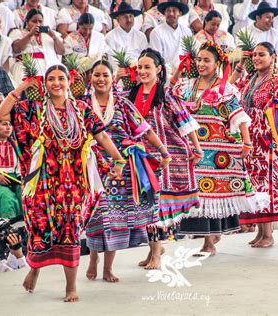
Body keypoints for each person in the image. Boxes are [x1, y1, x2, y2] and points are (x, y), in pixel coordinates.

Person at [0, 64, 125, 302]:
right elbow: (0, 116)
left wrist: (118, 159)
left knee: (71, 230)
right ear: (44, 84)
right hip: (43, 183)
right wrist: (23, 87)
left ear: (69, 81)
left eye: (61, 78)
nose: (56, 83)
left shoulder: (82, 109)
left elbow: (102, 136)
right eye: (51, 79)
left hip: (74, 183)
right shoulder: (32, 109)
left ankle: (71, 287)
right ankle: (34, 269)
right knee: (40, 229)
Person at [172, 42, 260, 255]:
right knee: (199, 193)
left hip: (219, 150)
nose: (201, 64)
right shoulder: (188, 85)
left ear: (217, 63)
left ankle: (208, 243)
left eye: (206, 60)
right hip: (194, 149)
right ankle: (209, 239)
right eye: (199, 60)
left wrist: (247, 142)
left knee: (210, 193)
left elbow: (238, 116)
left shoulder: (225, 88)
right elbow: (172, 98)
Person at [84, 59, 168, 281]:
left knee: (114, 219)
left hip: (121, 170)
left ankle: (107, 268)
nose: (101, 79)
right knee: (96, 216)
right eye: (96, 75)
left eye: (105, 75)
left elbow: (145, 130)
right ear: (90, 78)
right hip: (93, 167)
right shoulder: (82, 104)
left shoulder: (122, 104)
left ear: (113, 79)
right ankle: (93, 258)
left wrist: (163, 151)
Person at [126, 48, 202, 268]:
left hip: (168, 156)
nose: (142, 71)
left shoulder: (166, 94)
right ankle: (154, 250)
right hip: (142, 157)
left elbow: (184, 121)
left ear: (158, 69)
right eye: (139, 67)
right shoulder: (132, 94)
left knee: (157, 206)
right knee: (148, 206)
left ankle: (157, 254)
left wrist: (197, 148)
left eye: (147, 67)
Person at [231, 42, 278, 248]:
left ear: (273, 57)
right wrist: (240, 65)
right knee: (256, 186)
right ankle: (260, 231)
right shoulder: (251, 80)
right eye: (254, 55)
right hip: (253, 140)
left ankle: (268, 235)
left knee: (267, 187)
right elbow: (229, 89)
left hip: (270, 141)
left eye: (261, 55)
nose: (256, 58)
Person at [9, 9, 64, 85]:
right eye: (34, 21)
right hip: (25, 67)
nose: (38, 24)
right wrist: (30, 35)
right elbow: (16, 48)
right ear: (27, 22)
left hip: (47, 66)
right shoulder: (17, 32)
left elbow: (61, 51)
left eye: (40, 21)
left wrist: (53, 36)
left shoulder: (49, 35)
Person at [149, 0, 192, 73]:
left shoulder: (187, 31)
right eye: (168, 11)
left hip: (185, 72)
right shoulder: (156, 32)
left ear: (180, 14)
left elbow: (190, 54)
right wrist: (172, 71)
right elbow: (157, 58)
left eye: (174, 11)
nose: (171, 13)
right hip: (165, 73)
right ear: (164, 13)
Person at [105, 2, 147, 69]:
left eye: (130, 16)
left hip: (139, 70)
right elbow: (112, 60)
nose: (129, 20)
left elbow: (145, 56)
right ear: (118, 20)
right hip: (119, 72)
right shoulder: (110, 36)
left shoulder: (141, 36)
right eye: (125, 17)